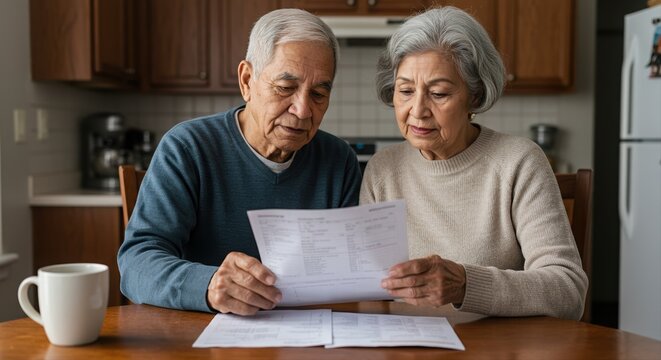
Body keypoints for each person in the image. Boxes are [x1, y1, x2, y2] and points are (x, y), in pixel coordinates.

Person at [118, 8, 362, 316]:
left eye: (318, 94)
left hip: (306, 336)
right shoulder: (187, 148)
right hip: (200, 334)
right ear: (247, 80)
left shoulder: (339, 162)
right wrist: (208, 286)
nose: (302, 110)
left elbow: (350, 273)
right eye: (285, 88)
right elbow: (136, 264)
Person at [361, 7, 588, 320]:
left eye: (439, 93)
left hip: (496, 349)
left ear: (475, 96)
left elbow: (568, 291)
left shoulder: (518, 162)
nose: (418, 109)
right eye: (405, 91)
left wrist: (465, 285)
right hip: (406, 348)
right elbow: (368, 290)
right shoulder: (382, 170)